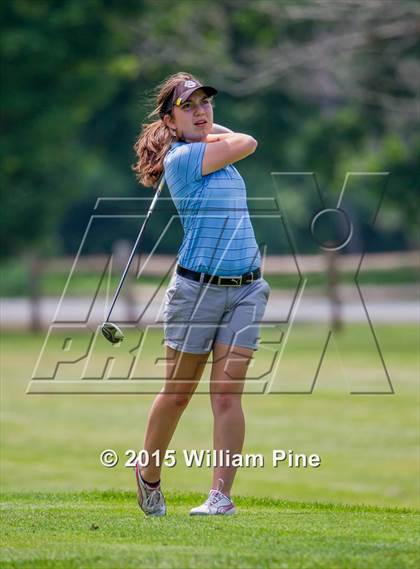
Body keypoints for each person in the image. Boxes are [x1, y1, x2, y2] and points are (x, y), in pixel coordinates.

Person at [132, 72, 270, 516]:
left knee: (228, 396)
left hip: (246, 289)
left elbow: (238, 144)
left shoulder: (213, 155)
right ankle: (148, 472)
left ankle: (220, 497)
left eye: (205, 104)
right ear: (170, 121)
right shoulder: (184, 160)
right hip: (197, 291)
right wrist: (208, 132)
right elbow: (249, 141)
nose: (201, 111)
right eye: (188, 106)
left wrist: (206, 130)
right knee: (178, 392)